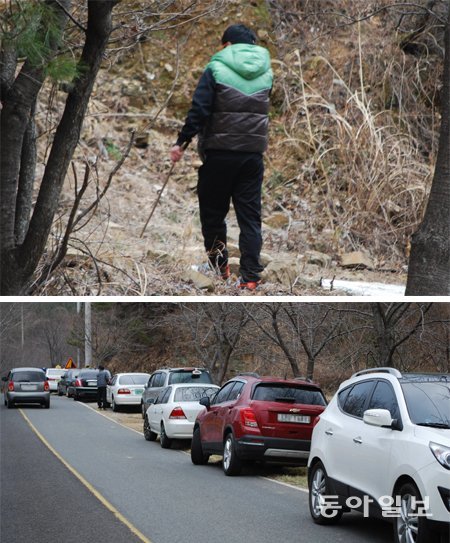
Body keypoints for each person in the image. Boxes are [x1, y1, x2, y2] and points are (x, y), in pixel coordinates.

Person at [170, 24, 273, 290]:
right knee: (250, 217)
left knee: (213, 213)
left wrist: (182, 141)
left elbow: (200, 110)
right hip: (252, 156)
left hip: (219, 154)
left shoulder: (216, 68)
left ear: (226, 45)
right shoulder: (266, 72)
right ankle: (250, 277)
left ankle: (219, 268)